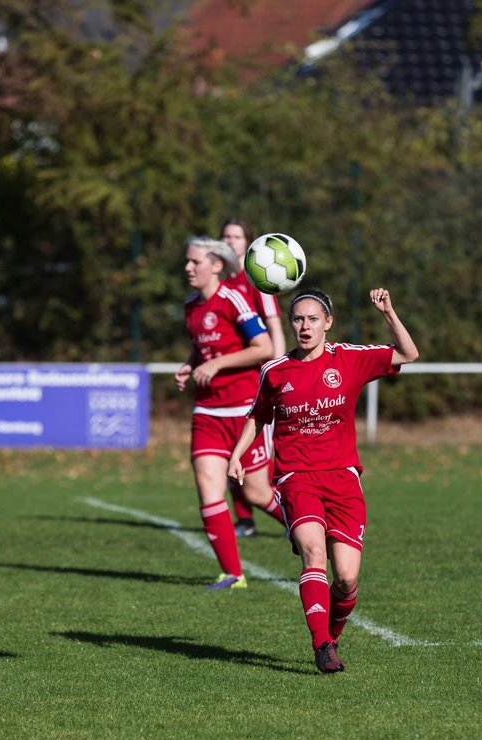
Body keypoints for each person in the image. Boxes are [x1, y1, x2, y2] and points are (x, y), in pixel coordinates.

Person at [227, 288, 418, 673]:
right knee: (314, 554)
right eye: (298, 319)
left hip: (344, 481)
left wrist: (388, 313)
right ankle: (321, 647)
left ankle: (328, 638)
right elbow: (257, 416)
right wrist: (237, 454)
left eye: (313, 319)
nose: (305, 326)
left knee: (346, 579)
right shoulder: (276, 371)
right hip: (297, 478)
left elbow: (409, 354)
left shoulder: (349, 358)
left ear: (328, 323)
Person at [175, 237, 284, 590]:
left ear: (217, 265)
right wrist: (190, 365)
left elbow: (263, 347)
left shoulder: (233, 299)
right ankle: (233, 574)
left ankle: (311, 527)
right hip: (207, 411)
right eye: (187, 262)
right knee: (208, 487)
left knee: (255, 493)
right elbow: (201, 347)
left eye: (196, 262)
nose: (189, 268)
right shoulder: (191, 306)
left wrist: (219, 363)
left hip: (243, 412)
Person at [219, 218, 286, 539]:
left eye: (236, 236)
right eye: (226, 236)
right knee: (231, 464)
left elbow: (274, 329)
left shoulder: (256, 278)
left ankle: (298, 520)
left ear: (247, 244)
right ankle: (244, 520)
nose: (231, 241)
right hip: (227, 387)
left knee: (259, 470)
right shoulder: (218, 283)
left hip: (255, 384)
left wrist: (281, 371)